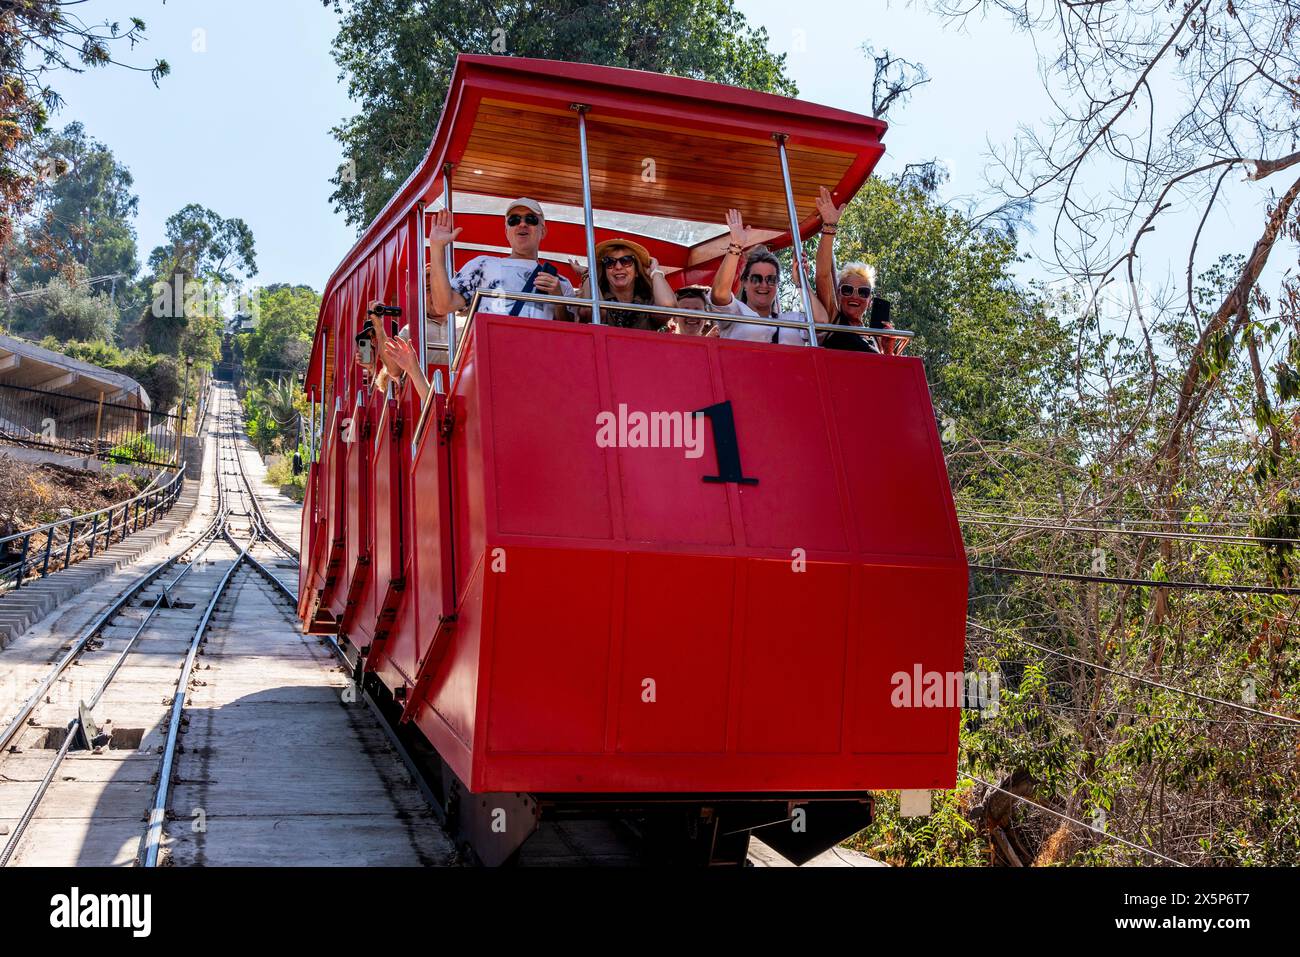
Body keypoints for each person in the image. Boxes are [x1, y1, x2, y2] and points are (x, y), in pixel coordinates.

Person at [425, 198, 573, 322]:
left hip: (540, 355)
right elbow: (443, 305)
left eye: (531, 219)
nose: (522, 224)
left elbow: (572, 338)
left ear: (543, 231)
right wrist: (437, 247)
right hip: (491, 354)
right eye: (514, 220)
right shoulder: (482, 265)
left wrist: (558, 299)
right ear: (506, 231)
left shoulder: (561, 283)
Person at [708, 208, 830, 344]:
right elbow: (719, 294)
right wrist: (736, 245)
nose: (764, 285)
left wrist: (801, 283)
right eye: (756, 279)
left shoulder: (792, 320)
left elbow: (821, 322)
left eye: (771, 280)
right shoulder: (736, 313)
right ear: (745, 282)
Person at [813, 186, 907, 355]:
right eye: (847, 290)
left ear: (869, 299)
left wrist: (887, 350)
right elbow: (823, 274)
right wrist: (829, 226)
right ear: (838, 293)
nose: (855, 296)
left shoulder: (874, 336)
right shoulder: (834, 320)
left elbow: (884, 375)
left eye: (863, 292)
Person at [570, 238, 676, 330]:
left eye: (626, 261)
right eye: (610, 262)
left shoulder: (648, 302)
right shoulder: (598, 299)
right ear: (604, 271)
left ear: (637, 271)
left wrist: (655, 272)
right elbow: (590, 310)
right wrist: (588, 274)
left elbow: (667, 305)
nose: (618, 267)